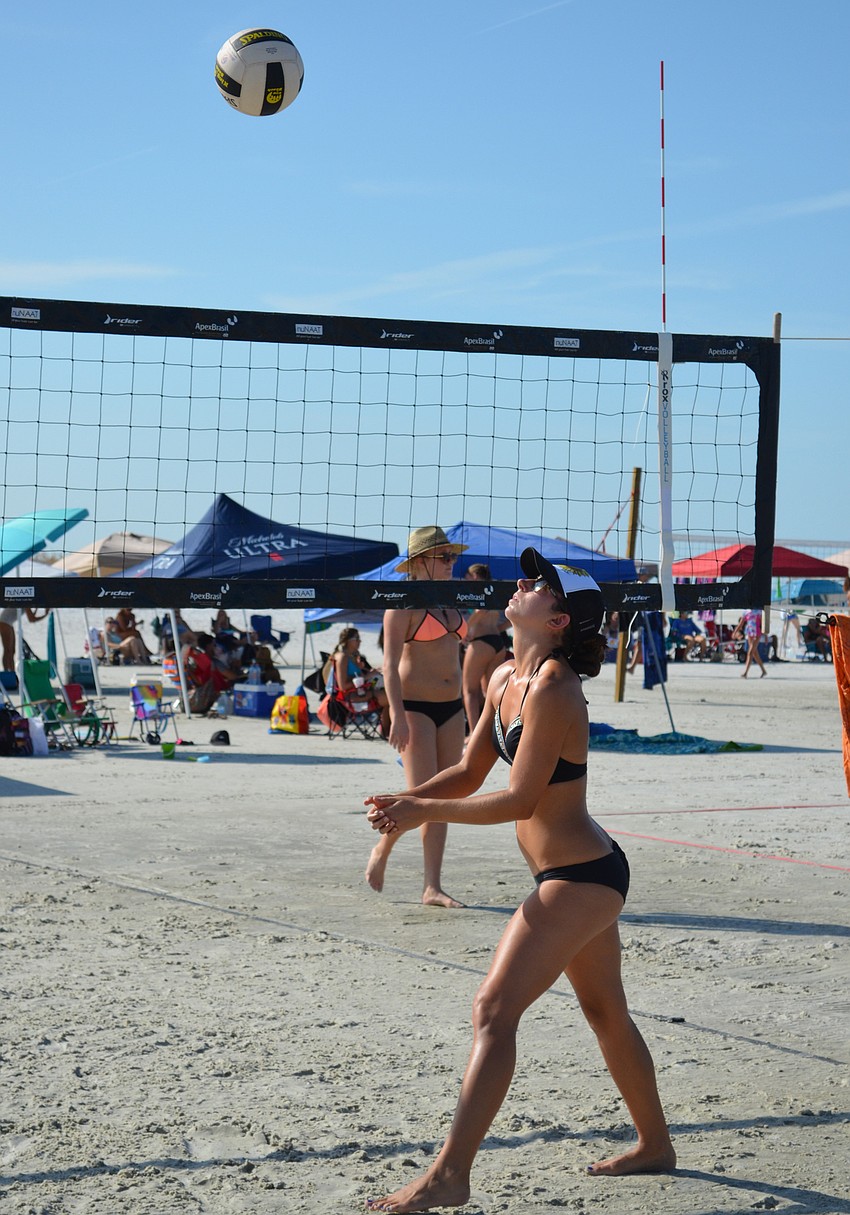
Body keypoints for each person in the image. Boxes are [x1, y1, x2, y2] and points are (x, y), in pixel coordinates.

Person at [364, 548, 675, 1210]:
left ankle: (449, 1175)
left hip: (583, 876)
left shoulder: (558, 688)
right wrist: (406, 797)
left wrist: (419, 808)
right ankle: (656, 1145)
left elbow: (518, 799)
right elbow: (472, 773)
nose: (523, 582)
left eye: (539, 583)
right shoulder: (506, 673)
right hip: (571, 871)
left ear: (559, 617)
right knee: (604, 1010)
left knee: (493, 1010)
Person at [365, 526, 470, 908]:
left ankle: (432, 887)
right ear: (421, 562)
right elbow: (389, 667)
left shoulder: (452, 600)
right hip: (416, 708)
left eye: (452, 557)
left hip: (452, 708)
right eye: (444, 558)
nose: (451, 564)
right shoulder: (401, 606)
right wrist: (397, 715)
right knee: (420, 795)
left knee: (441, 799)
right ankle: (383, 847)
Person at [462, 563, 509, 732]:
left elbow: (480, 611)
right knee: (491, 693)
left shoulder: (479, 591)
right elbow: (511, 618)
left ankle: (475, 734)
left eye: (466, 575)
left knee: (469, 691)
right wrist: (497, 629)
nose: (465, 579)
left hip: (481, 643)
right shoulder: (494, 590)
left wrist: (464, 630)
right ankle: (498, 731)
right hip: (497, 642)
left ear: (474, 576)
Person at [332, 626, 389, 733]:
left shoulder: (352, 656)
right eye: (356, 639)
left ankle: (385, 729)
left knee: (392, 695)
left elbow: (355, 677)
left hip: (360, 692)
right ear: (348, 641)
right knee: (391, 699)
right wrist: (367, 676)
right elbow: (343, 686)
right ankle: (385, 731)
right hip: (351, 696)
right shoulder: (343, 657)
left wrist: (364, 670)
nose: (359, 641)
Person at [0, 605, 49, 671]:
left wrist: (37, 610)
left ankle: (12, 672)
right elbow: (31, 619)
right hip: (4, 621)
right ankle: (7, 672)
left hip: (9, 622)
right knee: (7, 650)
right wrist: (45, 615)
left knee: (12, 651)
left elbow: (31, 616)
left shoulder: (26, 602)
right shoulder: (26, 602)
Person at [733, 608, 767, 678]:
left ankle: (745, 672)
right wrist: (735, 632)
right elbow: (741, 623)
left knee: (750, 652)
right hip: (749, 632)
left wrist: (765, 635)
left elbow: (762, 623)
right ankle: (763, 671)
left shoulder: (758, 611)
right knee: (754, 653)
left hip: (757, 632)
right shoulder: (746, 611)